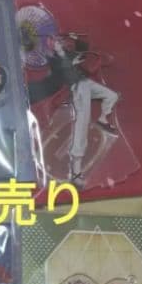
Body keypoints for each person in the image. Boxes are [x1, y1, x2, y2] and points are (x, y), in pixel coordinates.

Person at [48, 35, 120, 187]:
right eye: (57, 43)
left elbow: (85, 50)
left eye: (60, 42)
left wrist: (74, 40)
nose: (60, 44)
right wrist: (66, 58)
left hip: (86, 83)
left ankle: (103, 119)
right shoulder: (57, 59)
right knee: (82, 123)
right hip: (78, 88)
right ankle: (76, 171)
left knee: (112, 95)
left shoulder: (71, 51)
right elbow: (62, 74)